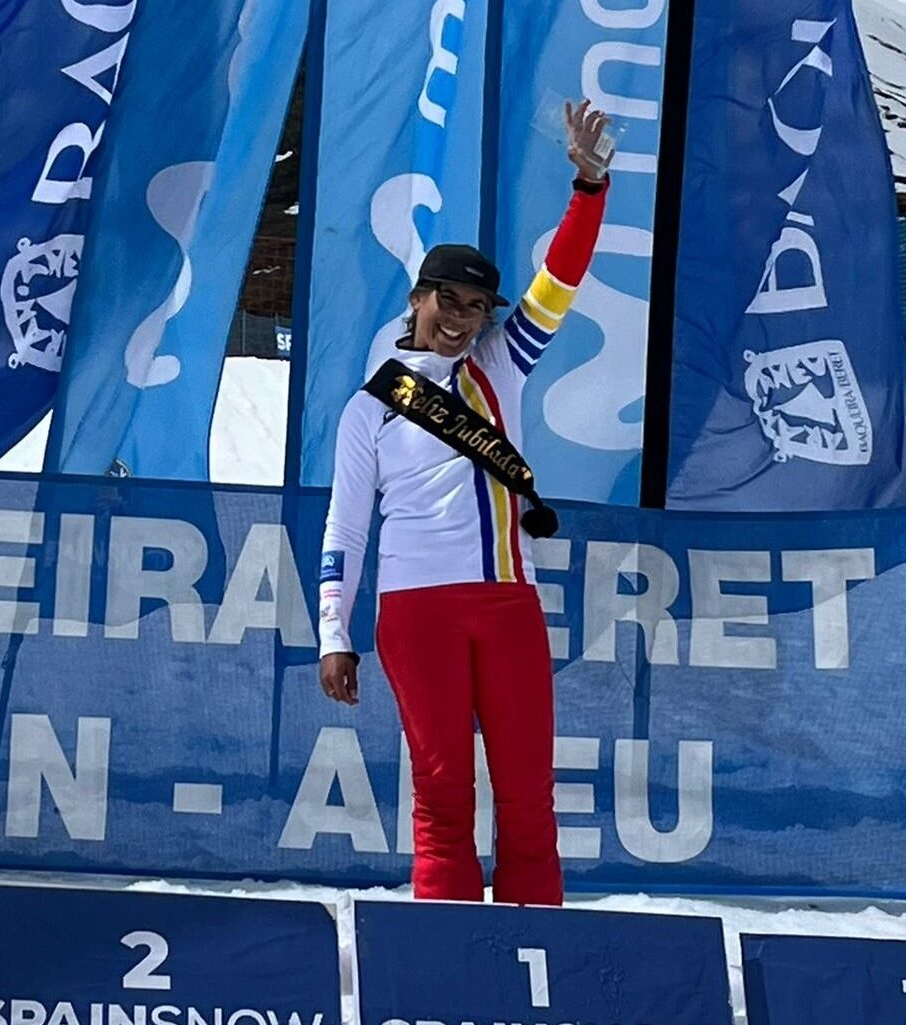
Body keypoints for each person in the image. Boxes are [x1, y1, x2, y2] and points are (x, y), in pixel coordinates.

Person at [317, 100, 611, 906]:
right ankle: (444, 965)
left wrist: (589, 187)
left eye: (477, 308)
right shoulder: (368, 407)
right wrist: (332, 635)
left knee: (526, 798)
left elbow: (561, 279)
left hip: (509, 607)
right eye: (449, 301)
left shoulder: (503, 367)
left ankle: (534, 959)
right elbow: (344, 526)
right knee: (442, 798)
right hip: (415, 613)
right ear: (419, 297)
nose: (460, 320)